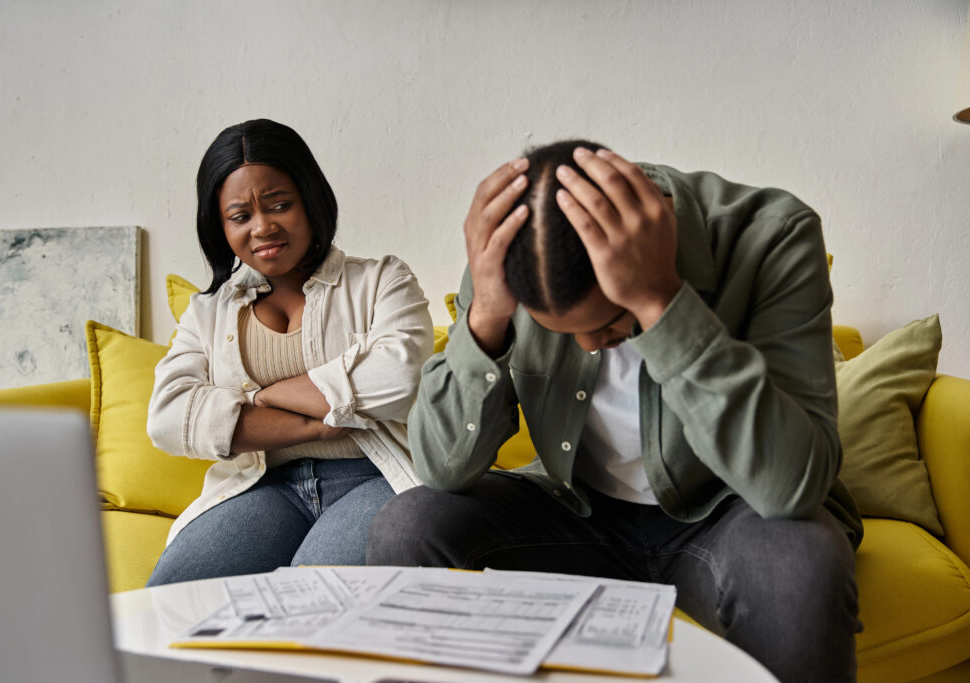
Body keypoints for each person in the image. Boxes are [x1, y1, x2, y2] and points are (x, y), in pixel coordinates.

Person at [367, 140, 863, 683]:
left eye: (608, 324)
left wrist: (662, 304)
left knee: (797, 566)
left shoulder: (771, 235)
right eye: (564, 331)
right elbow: (442, 467)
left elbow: (791, 486)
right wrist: (486, 313)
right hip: (576, 514)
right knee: (408, 527)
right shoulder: (511, 256)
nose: (585, 347)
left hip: (727, 514)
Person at [146, 119, 433, 585]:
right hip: (262, 485)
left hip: (373, 477)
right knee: (170, 597)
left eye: (280, 205)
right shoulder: (208, 312)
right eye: (240, 216)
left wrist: (260, 398)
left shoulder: (383, 279)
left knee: (308, 601)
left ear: (310, 200)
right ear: (219, 227)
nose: (263, 227)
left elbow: (400, 380)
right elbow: (168, 417)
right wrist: (314, 424)